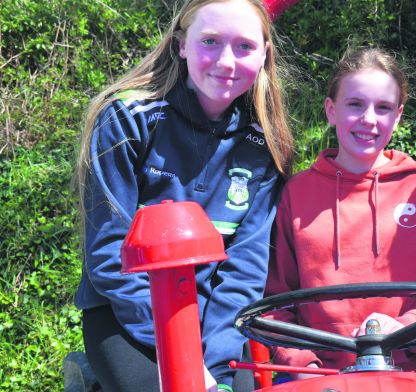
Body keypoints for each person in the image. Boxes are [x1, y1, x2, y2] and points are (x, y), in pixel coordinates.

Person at [73, 1, 293, 391]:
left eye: (244, 46)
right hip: (128, 319)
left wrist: (216, 365)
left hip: (219, 324)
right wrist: (182, 356)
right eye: (210, 41)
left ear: (264, 55)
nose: (226, 61)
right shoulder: (127, 119)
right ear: (181, 46)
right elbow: (108, 258)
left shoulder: (266, 144)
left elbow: (246, 268)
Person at [265, 47, 416, 376]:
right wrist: (302, 365)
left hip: (405, 372)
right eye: (355, 104)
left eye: (384, 108)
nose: (369, 120)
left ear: (399, 116)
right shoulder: (297, 194)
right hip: (316, 376)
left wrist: (401, 329)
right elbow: (277, 301)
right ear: (331, 110)